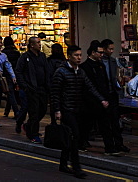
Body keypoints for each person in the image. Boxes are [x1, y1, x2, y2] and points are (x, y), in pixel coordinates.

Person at [52, 44, 108, 179]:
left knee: (70, 137)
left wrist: (101, 99)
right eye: (76, 55)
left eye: (80, 55)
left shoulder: (80, 71)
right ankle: (76, 168)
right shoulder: (61, 72)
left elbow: (90, 87)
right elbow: (55, 93)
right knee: (75, 137)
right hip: (66, 110)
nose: (79, 58)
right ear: (69, 56)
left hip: (78, 108)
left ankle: (63, 164)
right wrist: (57, 110)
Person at [81, 41, 121, 154]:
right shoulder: (85, 67)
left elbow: (103, 83)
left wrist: (106, 98)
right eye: (99, 52)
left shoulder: (101, 65)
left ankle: (110, 147)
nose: (101, 55)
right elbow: (89, 86)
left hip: (103, 99)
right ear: (93, 52)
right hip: (91, 101)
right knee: (87, 124)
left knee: (105, 124)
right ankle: (81, 142)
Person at [16, 36, 52, 142]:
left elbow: (46, 71)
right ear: (32, 45)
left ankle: (29, 126)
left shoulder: (42, 56)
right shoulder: (25, 57)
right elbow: (18, 71)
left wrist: (48, 85)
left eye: (39, 43)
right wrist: (25, 86)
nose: (40, 44)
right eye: (38, 43)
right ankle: (33, 134)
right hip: (31, 89)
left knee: (43, 110)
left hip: (42, 88)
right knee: (34, 112)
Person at [100, 39, 129, 153]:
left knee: (116, 121)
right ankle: (109, 145)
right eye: (109, 49)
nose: (111, 51)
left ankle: (119, 143)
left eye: (112, 49)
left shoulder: (113, 61)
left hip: (113, 93)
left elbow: (116, 77)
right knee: (106, 123)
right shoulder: (99, 62)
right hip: (104, 95)